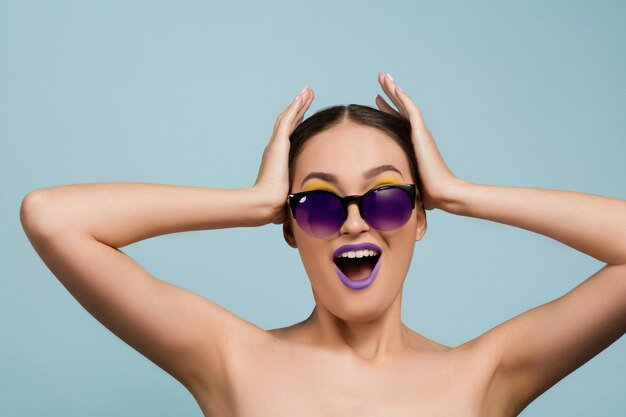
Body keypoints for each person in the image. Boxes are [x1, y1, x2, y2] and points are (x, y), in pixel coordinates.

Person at [20, 72, 626, 417]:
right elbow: (51, 218)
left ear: (420, 218)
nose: (355, 224)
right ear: (289, 228)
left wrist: (461, 192)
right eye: (319, 203)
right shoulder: (230, 359)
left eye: (386, 198)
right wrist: (250, 202)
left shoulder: (483, 374)